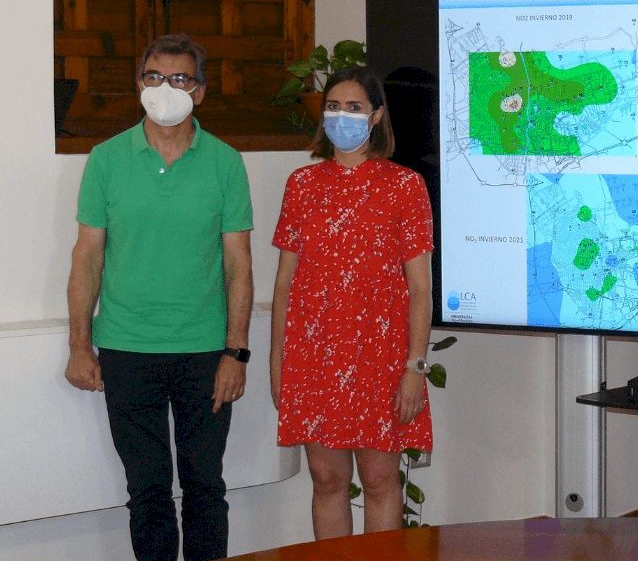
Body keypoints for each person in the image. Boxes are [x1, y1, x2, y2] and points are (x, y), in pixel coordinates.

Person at [65, 34, 254, 561]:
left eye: (179, 78)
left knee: (204, 489)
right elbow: (87, 259)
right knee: (147, 493)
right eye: (153, 77)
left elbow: (239, 265)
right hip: (127, 349)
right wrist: (79, 346)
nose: (164, 88)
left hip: (204, 352)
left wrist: (236, 352)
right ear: (139, 85)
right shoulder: (106, 160)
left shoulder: (225, 162)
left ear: (200, 91)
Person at [270, 66, 434, 539]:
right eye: (334, 107)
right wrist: (278, 360)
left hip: (380, 357)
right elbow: (285, 283)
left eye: (355, 107)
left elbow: (420, 289)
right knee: (326, 479)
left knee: (380, 480)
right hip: (315, 355)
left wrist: (415, 367)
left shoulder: (405, 186)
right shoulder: (302, 184)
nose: (342, 116)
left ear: (376, 115)